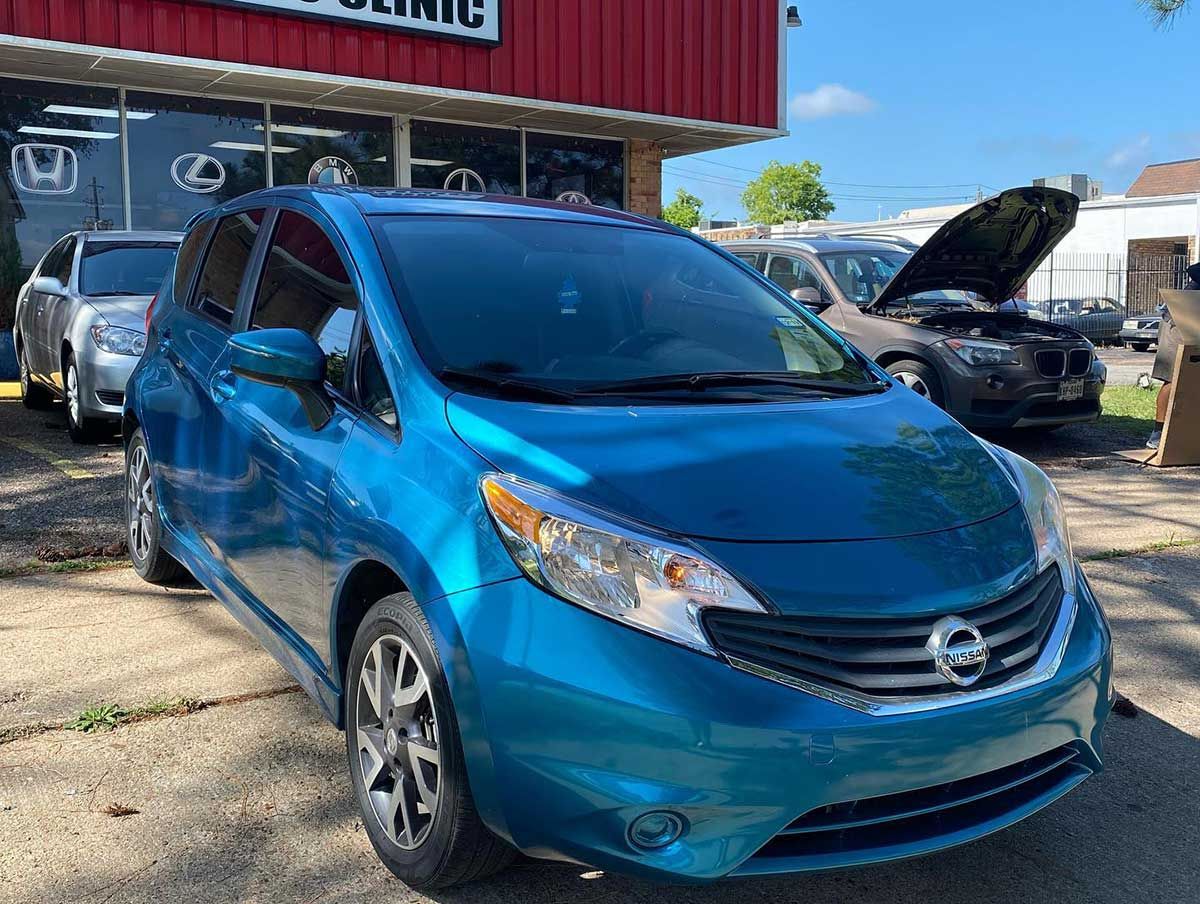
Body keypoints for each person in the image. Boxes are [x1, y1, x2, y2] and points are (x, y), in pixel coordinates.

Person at [1148, 260, 1200, 449]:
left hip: (1194, 320)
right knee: (1173, 378)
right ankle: (1157, 434)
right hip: (1176, 322)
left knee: (1192, 378)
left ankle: (1184, 430)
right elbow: (1193, 269)